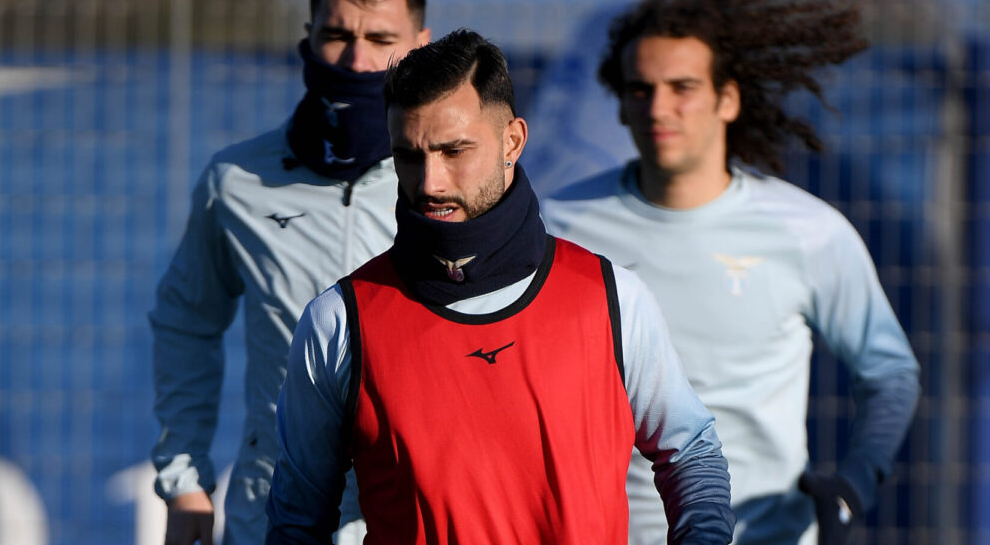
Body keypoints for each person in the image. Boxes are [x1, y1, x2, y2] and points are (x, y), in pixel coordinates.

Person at [265, 29, 736, 545]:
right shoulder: (341, 320)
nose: (430, 182)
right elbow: (298, 517)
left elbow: (690, 452)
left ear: (513, 140)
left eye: (454, 150)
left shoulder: (611, 299)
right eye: (409, 155)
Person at [540, 0, 921, 545]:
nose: (659, 108)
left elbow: (890, 373)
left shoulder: (809, 232)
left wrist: (854, 484)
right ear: (620, 105)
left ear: (728, 99)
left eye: (682, 87)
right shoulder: (557, 227)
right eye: (640, 90)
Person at [150, 0, 431, 545]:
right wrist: (185, 478)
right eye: (338, 36)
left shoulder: (457, 183)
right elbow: (185, 322)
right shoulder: (237, 181)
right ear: (308, 36)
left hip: (414, 515)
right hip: (270, 513)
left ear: (420, 46)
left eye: (382, 41)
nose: (357, 62)